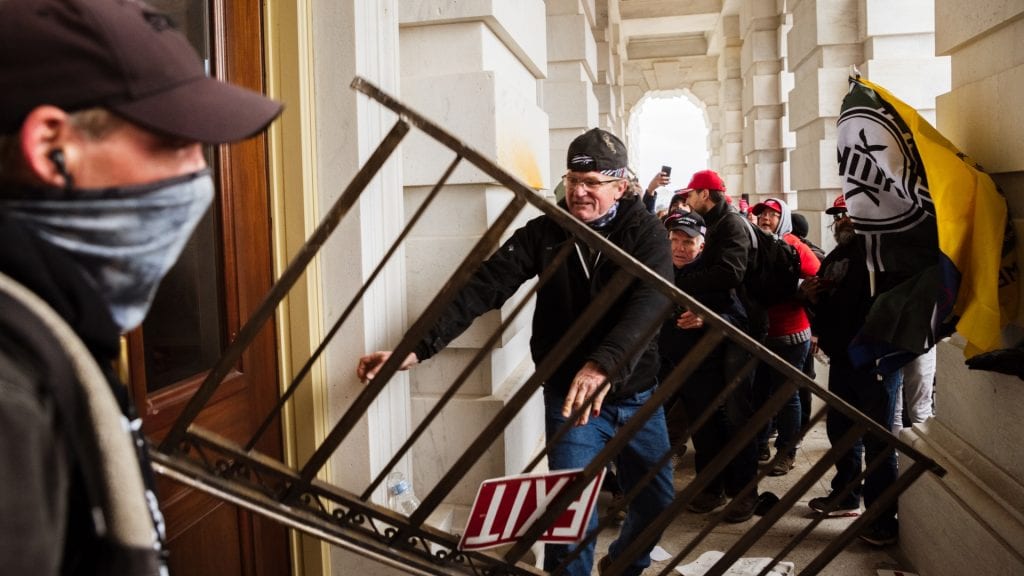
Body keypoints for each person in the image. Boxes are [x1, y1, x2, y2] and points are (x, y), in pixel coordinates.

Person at [0, 1, 283, 574]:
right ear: (52, 146)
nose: (198, 176)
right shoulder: (11, 385)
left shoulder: (57, 321)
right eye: (173, 142)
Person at [357, 128, 674, 576]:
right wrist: (416, 348)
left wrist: (605, 363)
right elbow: (482, 285)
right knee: (572, 515)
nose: (579, 193)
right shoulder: (545, 232)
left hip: (636, 393)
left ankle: (623, 564)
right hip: (571, 400)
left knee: (658, 501)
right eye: (572, 182)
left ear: (620, 187)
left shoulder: (646, 233)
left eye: (592, 184)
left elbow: (652, 301)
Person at [801, 194, 902, 546]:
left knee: (878, 439)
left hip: (874, 360)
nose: (842, 219)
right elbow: (831, 305)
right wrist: (811, 297)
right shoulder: (838, 255)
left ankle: (882, 519)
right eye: (838, 215)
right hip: (843, 357)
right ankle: (846, 494)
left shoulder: (882, 253)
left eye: (849, 213)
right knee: (841, 429)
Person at [672, 169, 761, 522]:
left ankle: (744, 493)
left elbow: (731, 278)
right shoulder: (715, 224)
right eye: (675, 241)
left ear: (705, 194)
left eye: (692, 194)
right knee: (704, 417)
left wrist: (686, 285)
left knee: (737, 417)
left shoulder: (731, 226)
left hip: (737, 335)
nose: (681, 248)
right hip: (704, 346)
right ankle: (712, 487)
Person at [750, 198, 820, 476]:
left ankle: (787, 451)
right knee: (760, 393)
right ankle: (761, 444)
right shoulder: (754, 243)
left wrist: (800, 292)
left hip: (791, 335)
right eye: (762, 214)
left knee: (786, 396)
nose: (766, 218)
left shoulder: (796, 246)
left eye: (772, 214)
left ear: (784, 219)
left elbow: (818, 279)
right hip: (761, 334)